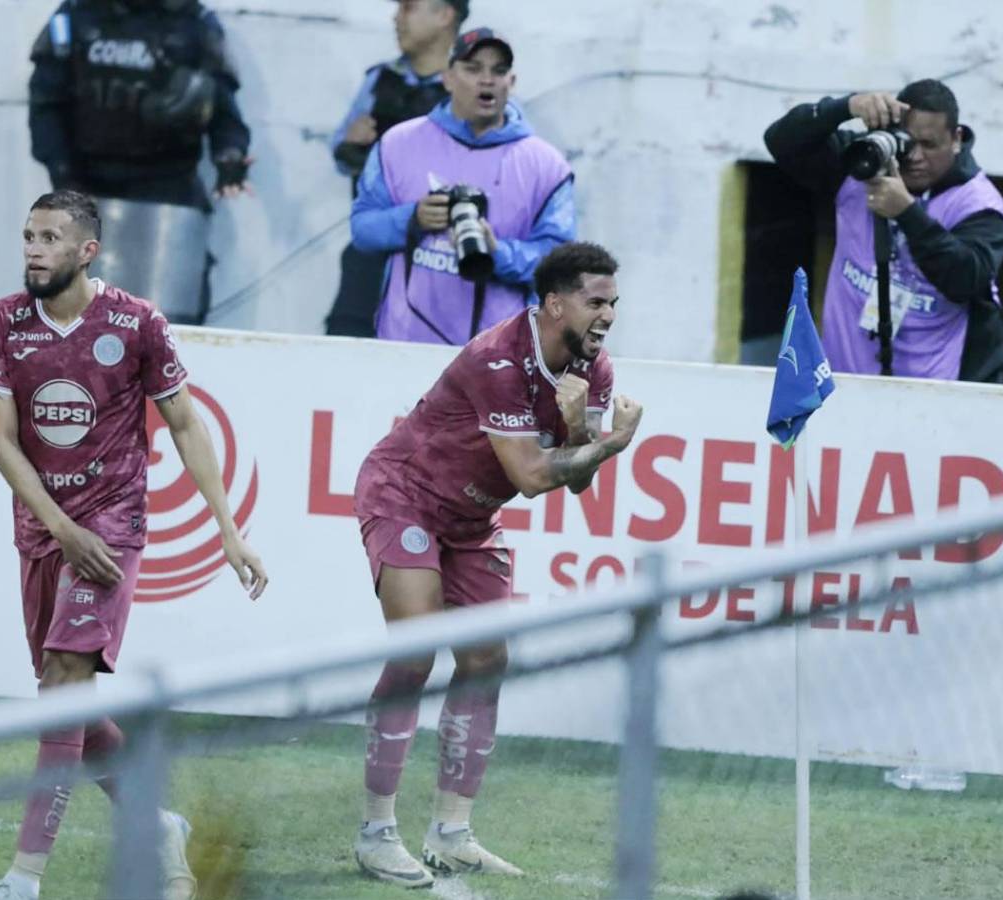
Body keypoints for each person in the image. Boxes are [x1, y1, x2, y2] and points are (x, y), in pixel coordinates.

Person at [0, 190, 267, 900]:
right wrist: (59, 527)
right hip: (44, 528)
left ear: (87, 251)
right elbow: (1, 440)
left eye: (49, 237)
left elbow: (186, 424)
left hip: (113, 523)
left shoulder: (137, 323)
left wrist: (228, 529)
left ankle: (23, 878)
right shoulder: (2, 322)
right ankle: (158, 821)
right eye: (28, 235)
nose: (33, 249)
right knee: (62, 699)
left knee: (65, 681)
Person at [351, 241, 642, 886]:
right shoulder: (498, 359)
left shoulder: (595, 370)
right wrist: (612, 443)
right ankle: (375, 833)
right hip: (404, 495)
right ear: (555, 304)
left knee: (486, 660)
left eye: (614, 303)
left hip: (471, 518)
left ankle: (451, 834)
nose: (608, 315)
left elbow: (576, 482)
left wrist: (581, 433)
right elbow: (533, 478)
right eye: (596, 302)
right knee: (416, 651)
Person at [764, 78, 1003, 382]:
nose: (916, 156)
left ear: (956, 138)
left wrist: (907, 214)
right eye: (908, 141)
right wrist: (846, 107)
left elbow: (966, 279)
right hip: (844, 382)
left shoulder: (978, 203)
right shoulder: (862, 164)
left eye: (930, 145)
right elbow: (780, 141)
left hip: (937, 394)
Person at [29, 0, 253, 323]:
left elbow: (224, 113)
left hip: (169, 193)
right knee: (72, 324)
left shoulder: (194, 22)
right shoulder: (77, 15)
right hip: (87, 187)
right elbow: (45, 104)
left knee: (168, 324)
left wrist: (230, 157)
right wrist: (63, 175)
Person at [352, 28, 576, 346]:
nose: (487, 80)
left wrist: (497, 252)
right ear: (447, 78)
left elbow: (561, 268)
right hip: (405, 346)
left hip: (498, 356)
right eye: (473, 68)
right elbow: (362, 229)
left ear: (511, 82)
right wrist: (412, 219)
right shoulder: (397, 144)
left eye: (498, 71)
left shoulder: (547, 166)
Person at [324, 0, 464, 338]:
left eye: (408, 7)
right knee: (344, 344)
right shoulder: (380, 79)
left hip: (441, 263)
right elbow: (341, 153)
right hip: (372, 253)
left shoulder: (471, 91)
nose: (396, 17)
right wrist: (351, 143)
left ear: (444, 15)